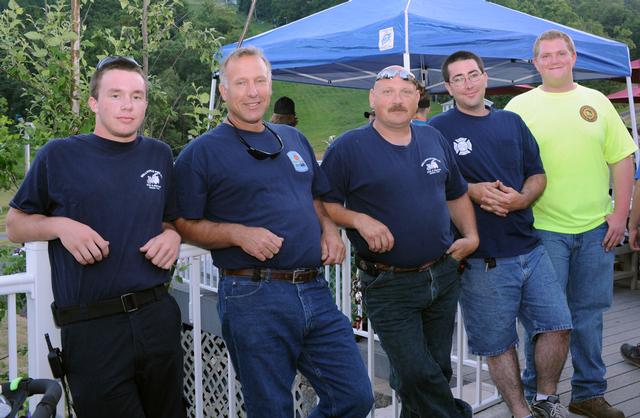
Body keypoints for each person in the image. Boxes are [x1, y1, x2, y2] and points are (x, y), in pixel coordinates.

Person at [173, 46, 373, 418]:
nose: (253, 91)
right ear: (225, 92)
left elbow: (315, 192)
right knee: (272, 408)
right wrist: (237, 234)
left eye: (260, 81)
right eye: (242, 83)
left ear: (269, 84)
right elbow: (180, 222)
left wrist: (329, 229)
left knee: (354, 396)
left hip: (314, 288)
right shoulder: (200, 153)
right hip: (253, 295)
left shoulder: (292, 139)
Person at [6, 56, 185, 418]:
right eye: (116, 95)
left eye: (137, 96)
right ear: (94, 102)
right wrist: (60, 226)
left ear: (146, 103)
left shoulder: (160, 154)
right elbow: (15, 225)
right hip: (92, 328)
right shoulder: (59, 155)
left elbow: (170, 221)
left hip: (157, 317)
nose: (127, 105)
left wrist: (174, 236)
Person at [321, 65, 479, 418]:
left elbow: (455, 194)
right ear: (372, 98)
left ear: (417, 99)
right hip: (388, 282)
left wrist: (471, 236)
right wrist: (358, 219)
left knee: (436, 369)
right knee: (413, 372)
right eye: (388, 92)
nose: (397, 100)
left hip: (442, 272)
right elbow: (324, 201)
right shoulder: (349, 147)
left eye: (406, 93)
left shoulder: (432, 137)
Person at [429, 50, 572, 418]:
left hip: (530, 248)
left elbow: (537, 174)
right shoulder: (437, 131)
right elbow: (430, 183)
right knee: (498, 344)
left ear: (485, 76)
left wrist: (522, 198)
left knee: (558, 326)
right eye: (458, 78)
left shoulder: (512, 121)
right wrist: (472, 190)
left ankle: (546, 402)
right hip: (483, 261)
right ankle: (520, 412)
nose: (468, 82)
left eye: (473, 74)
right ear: (448, 87)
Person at [506, 30, 637, 418]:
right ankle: (535, 396)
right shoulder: (519, 105)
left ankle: (588, 393)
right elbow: (504, 162)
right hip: (542, 230)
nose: (553, 60)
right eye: (545, 56)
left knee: (589, 315)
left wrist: (620, 214)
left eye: (560, 53)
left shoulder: (596, 102)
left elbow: (623, 160)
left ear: (573, 56)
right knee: (543, 320)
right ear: (535, 63)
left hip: (597, 227)